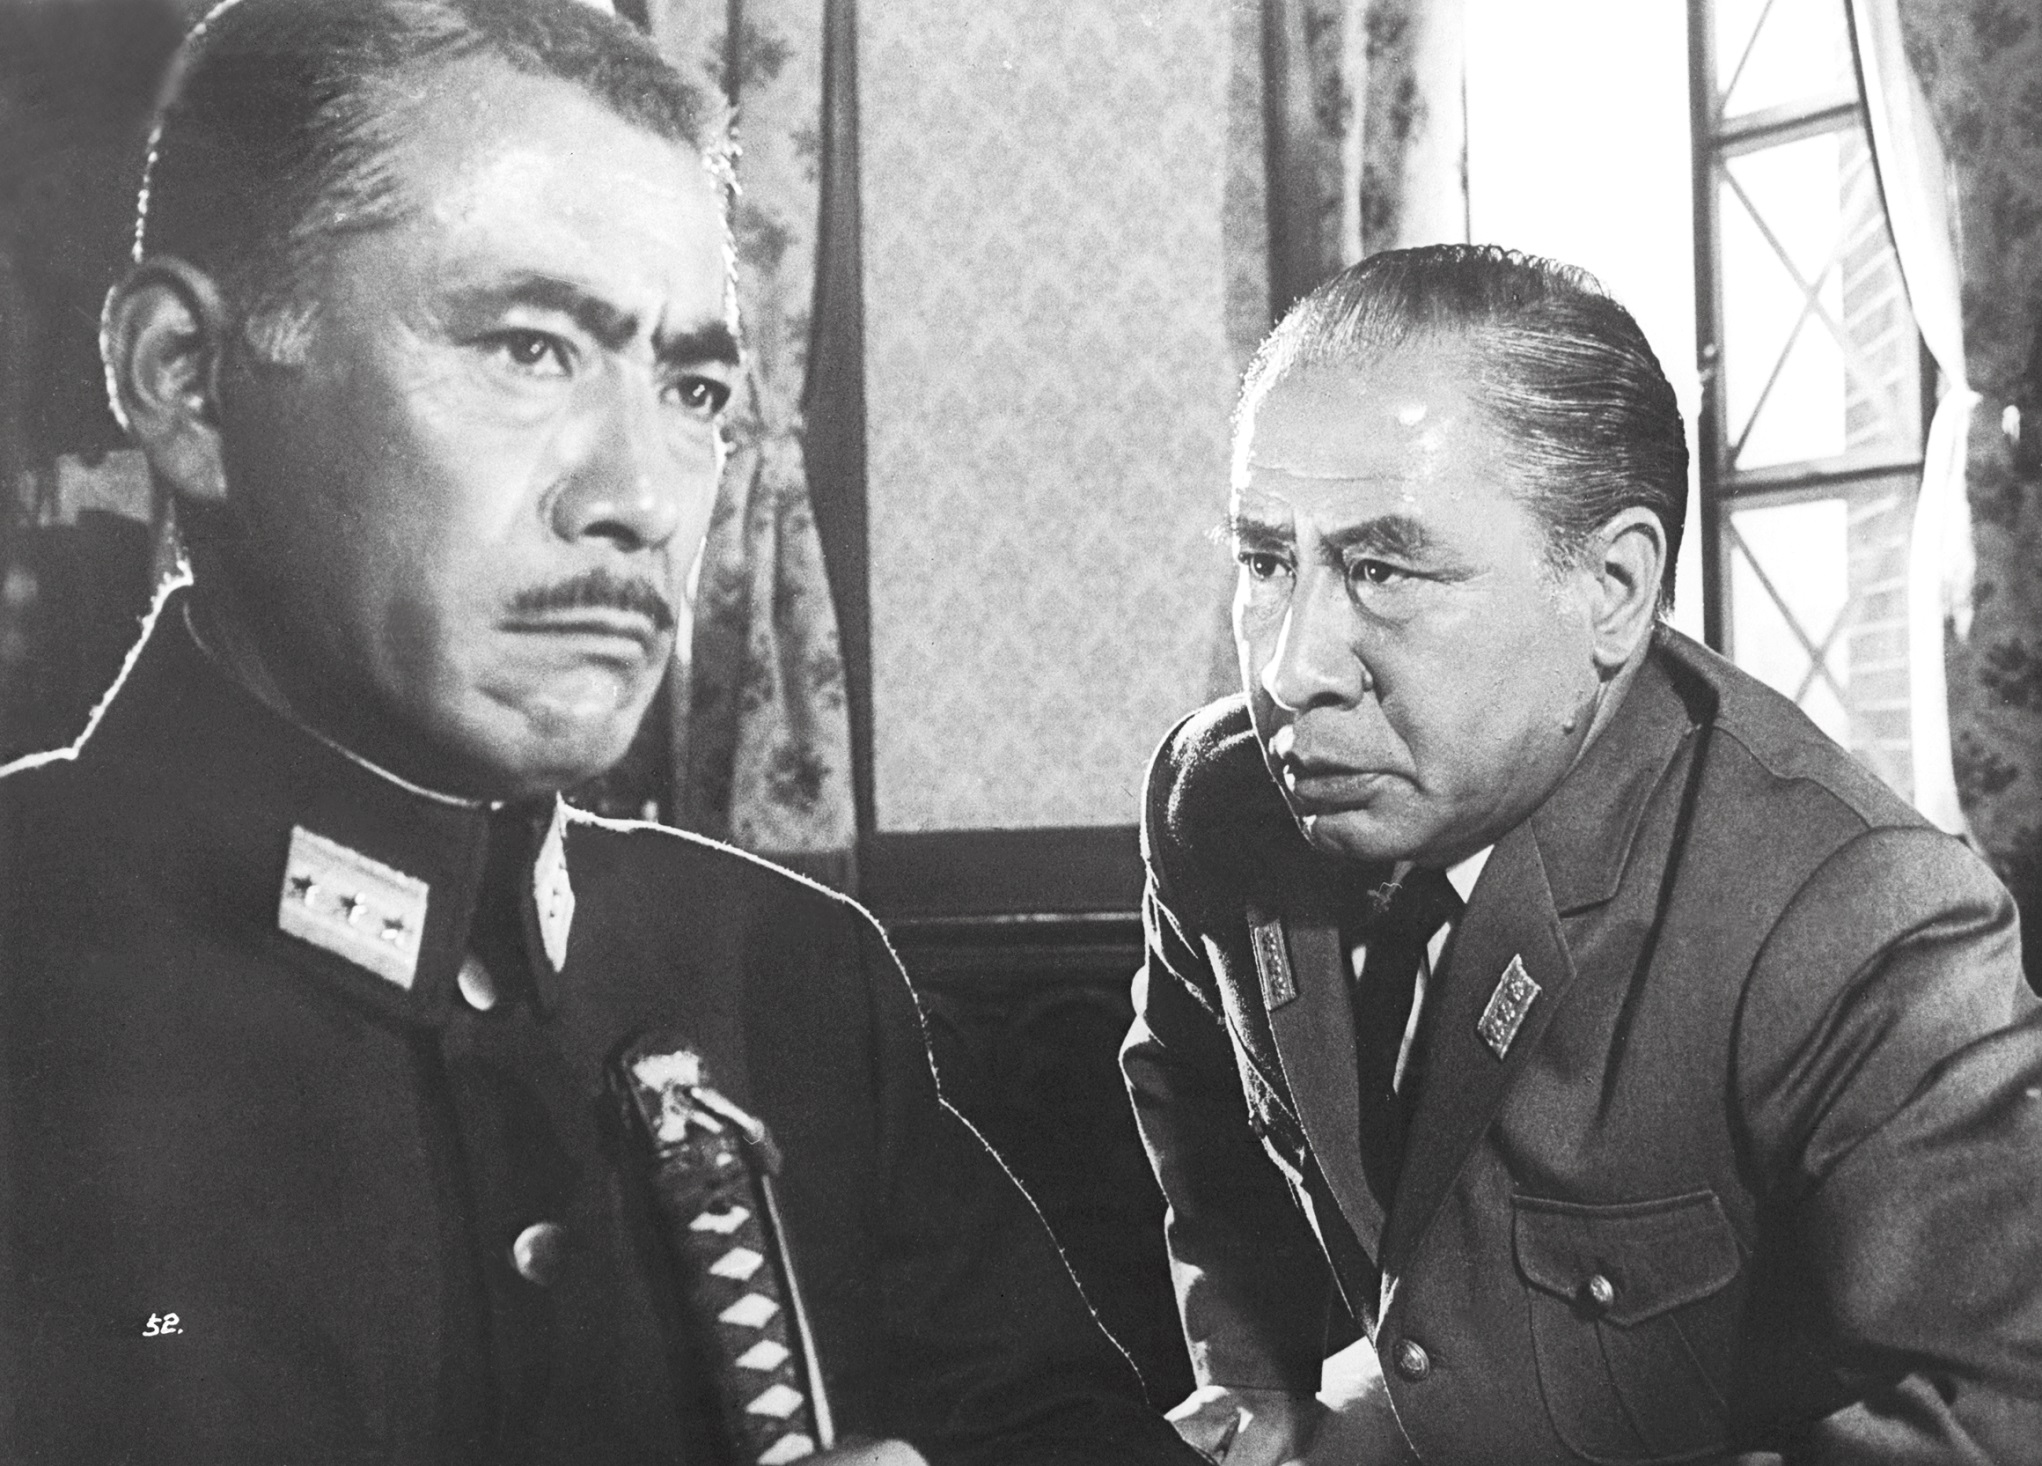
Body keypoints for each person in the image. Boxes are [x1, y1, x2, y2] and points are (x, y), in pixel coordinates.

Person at [0, 2, 1200, 1462]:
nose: (641, 494)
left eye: (691, 388)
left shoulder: (789, 974)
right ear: (186, 380)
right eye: (528, 348)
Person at [1121, 244, 2042, 1465]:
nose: (1290, 668)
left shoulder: (1863, 916)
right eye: (1264, 560)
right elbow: (1199, 1112)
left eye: (1380, 568)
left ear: (1610, 589)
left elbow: (1989, 1425)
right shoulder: (1221, 800)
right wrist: (1256, 1389)